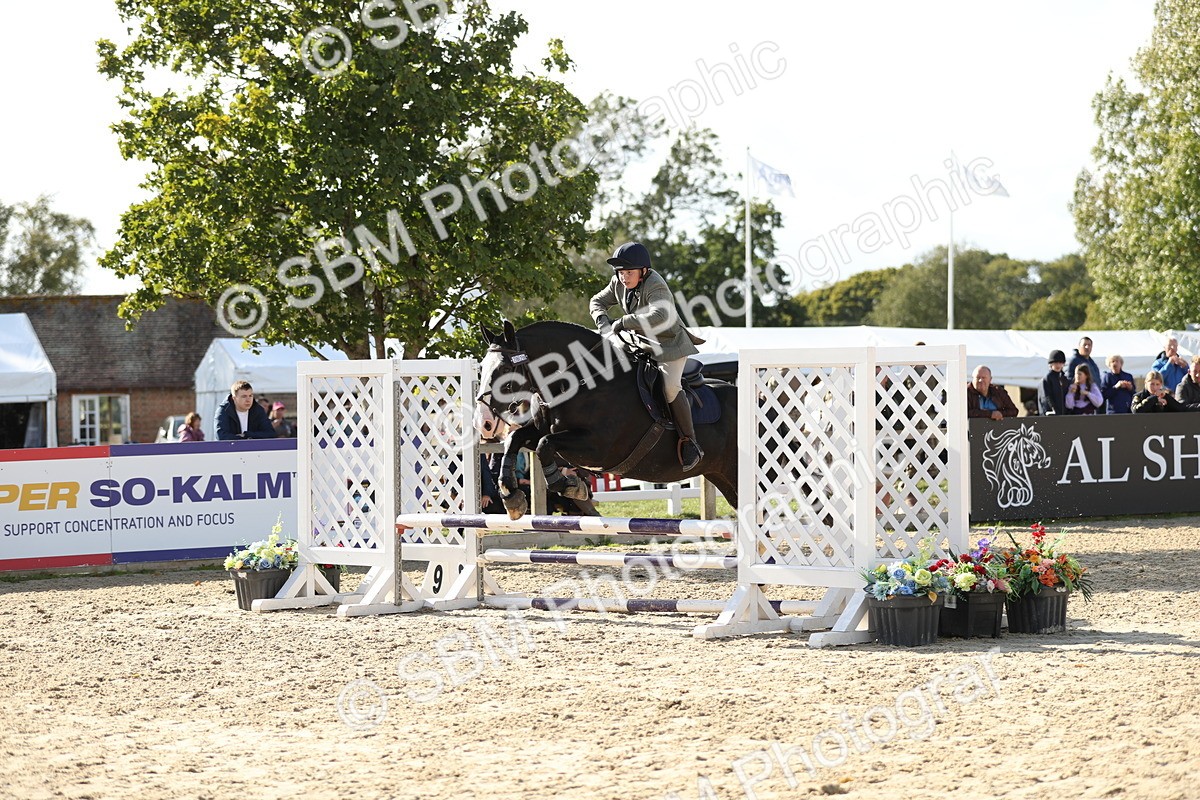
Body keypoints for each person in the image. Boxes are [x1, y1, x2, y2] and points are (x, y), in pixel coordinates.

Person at [589, 241, 706, 470]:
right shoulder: (618, 282)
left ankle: (690, 442)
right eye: (621, 273)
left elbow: (661, 314)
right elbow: (597, 301)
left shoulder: (656, 284)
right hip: (641, 343)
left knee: (670, 387)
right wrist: (603, 322)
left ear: (643, 271)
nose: (624, 277)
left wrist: (623, 321)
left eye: (629, 272)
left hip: (669, 345)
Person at [1067, 337, 1105, 413]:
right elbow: (1069, 378)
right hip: (1078, 404)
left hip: (1092, 403)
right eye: (1084, 345)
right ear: (1079, 347)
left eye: (1089, 345)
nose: (1087, 347)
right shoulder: (1074, 361)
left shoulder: (1092, 362)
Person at [1038, 350, 1070, 415]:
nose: (1058, 365)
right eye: (1055, 363)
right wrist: (1053, 409)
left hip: (1064, 415)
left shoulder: (1065, 379)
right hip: (1051, 415)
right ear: (1051, 364)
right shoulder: (1047, 379)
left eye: (1060, 362)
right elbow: (1046, 397)